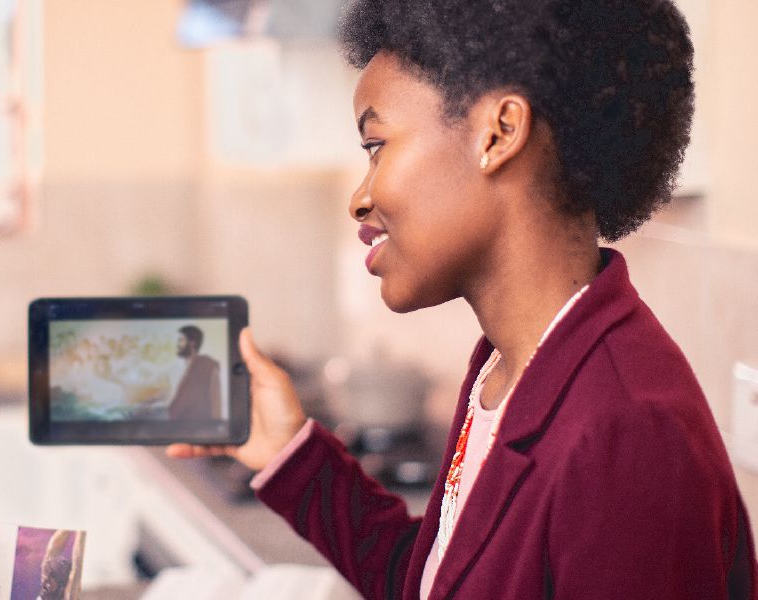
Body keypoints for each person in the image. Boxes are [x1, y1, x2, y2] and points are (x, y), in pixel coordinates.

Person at [168, 0, 757, 598]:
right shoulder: (510, 368)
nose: (360, 198)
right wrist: (291, 453)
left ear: (498, 133)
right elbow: (436, 581)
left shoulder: (629, 437)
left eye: (376, 146)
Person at [167, 325, 222, 421]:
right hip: (176, 425)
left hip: (198, 428)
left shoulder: (207, 365)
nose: (177, 344)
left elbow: (216, 403)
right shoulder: (179, 368)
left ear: (192, 343)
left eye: (181, 340)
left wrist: (216, 428)